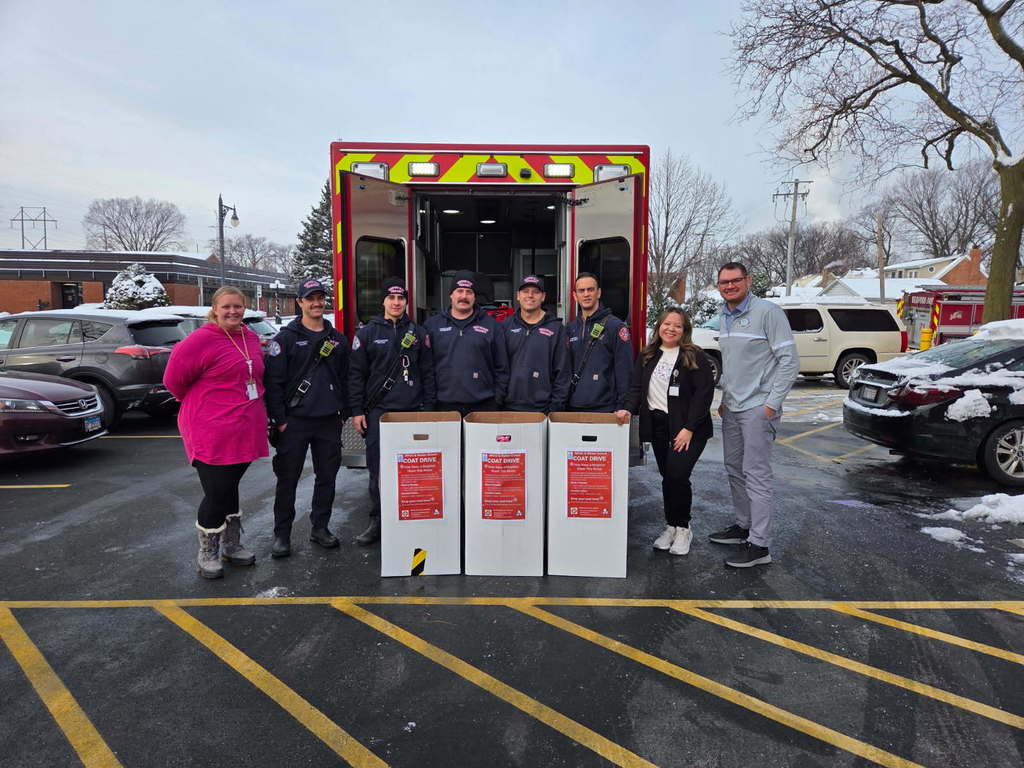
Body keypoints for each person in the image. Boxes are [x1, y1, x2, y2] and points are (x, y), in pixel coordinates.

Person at [163, 286, 268, 580]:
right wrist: (205, 405)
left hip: (244, 429)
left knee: (229, 487)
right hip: (210, 430)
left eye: (238, 306)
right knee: (218, 491)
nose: (233, 311)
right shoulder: (200, 340)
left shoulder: (249, 337)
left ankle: (231, 545)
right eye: (226, 307)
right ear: (215, 309)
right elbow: (173, 381)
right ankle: (208, 551)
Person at [708, 261, 799, 568]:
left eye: (735, 280)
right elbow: (734, 363)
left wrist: (770, 405)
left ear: (747, 281)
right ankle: (744, 526)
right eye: (724, 282)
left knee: (756, 474)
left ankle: (759, 545)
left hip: (758, 408)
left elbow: (789, 362)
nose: (729, 286)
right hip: (733, 407)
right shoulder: (724, 315)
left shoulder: (768, 313)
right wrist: (725, 398)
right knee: (734, 468)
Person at [263, 279, 350, 558]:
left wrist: (344, 412)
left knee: (327, 478)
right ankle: (282, 534)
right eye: (310, 298)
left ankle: (320, 528)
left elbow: (347, 378)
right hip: (294, 423)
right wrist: (280, 420)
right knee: (287, 479)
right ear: (299, 302)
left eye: (320, 298)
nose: (316, 303)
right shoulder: (285, 340)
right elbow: (273, 383)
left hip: (329, 421)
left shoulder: (338, 339)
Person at [617, 308, 715, 555]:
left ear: (685, 330)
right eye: (667, 324)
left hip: (687, 427)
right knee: (668, 476)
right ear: (659, 326)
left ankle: (683, 529)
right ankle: (671, 526)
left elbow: (704, 395)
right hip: (659, 425)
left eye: (677, 325)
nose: (671, 329)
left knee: (678, 475)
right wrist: (627, 409)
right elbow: (636, 388)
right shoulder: (648, 354)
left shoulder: (694, 355)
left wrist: (689, 428)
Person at [348, 277, 435, 546]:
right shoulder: (367, 334)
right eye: (391, 298)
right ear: (383, 301)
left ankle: (413, 520)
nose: (396, 303)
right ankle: (378, 520)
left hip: (413, 412)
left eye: (401, 298)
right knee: (378, 470)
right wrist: (357, 410)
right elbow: (355, 375)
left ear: (406, 302)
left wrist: (429, 410)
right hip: (379, 413)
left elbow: (428, 374)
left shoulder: (419, 333)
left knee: (414, 470)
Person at [423, 270, 509, 416]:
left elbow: (502, 367)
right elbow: (426, 368)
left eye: (469, 292)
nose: (464, 296)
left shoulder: (492, 326)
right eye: (459, 291)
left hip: (484, 406)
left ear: (474, 296)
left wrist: (497, 400)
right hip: (443, 406)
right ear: (451, 295)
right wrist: (430, 402)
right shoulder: (432, 326)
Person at [565, 272, 632, 413]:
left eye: (590, 289)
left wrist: (623, 406)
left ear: (599, 293)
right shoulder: (570, 329)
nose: (586, 294)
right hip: (573, 407)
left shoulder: (615, 327)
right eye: (581, 290)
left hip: (605, 408)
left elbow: (624, 370)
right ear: (575, 296)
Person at [503, 275, 570, 413]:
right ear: (518, 295)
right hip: (508, 408)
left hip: (543, 410)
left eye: (536, 292)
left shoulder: (556, 329)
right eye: (525, 291)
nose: (530, 295)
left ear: (543, 296)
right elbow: (497, 368)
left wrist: (554, 408)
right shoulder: (505, 327)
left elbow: (563, 373)